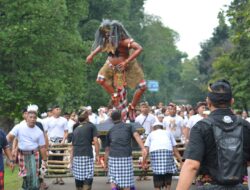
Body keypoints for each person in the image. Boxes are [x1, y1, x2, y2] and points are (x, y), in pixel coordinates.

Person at [176, 79, 250, 190]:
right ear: (232, 101)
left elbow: (192, 165)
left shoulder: (201, 127)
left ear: (208, 102)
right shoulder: (246, 126)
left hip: (209, 186)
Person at [86, 19, 146, 119]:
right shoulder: (107, 41)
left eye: (109, 33)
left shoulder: (124, 41)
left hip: (122, 68)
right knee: (100, 79)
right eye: (106, 33)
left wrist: (126, 62)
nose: (107, 35)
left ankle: (131, 107)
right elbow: (101, 47)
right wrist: (91, 55)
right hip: (110, 65)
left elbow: (139, 48)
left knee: (142, 86)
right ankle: (115, 96)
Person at [104, 110, 147, 190]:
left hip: (113, 157)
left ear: (112, 119)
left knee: (113, 179)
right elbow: (136, 135)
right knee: (126, 181)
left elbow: (107, 149)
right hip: (125, 156)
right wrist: (143, 148)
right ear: (121, 117)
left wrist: (105, 163)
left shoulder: (110, 130)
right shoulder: (129, 126)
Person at [7, 109, 47, 190]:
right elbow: (9, 137)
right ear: (26, 117)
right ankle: (26, 188)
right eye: (30, 117)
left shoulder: (39, 131)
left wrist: (44, 161)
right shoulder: (19, 127)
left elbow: (42, 147)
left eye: (34, 117)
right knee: (25, 176)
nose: (32, 119)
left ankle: (31, 188)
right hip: (22, 155)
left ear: (36, 119)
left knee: (33, 177)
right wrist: (7, 148)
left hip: (33, 155)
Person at [144, 122, 183, 190]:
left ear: (153, 128)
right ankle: (167, 188)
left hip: (154, 152)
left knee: (156, 172)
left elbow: (146, 150)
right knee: (168, 171)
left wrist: (144, 162)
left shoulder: (151, 134)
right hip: (167, 151)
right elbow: (175, 149)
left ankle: (158, 188)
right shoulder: (168, 132)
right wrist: (181, 161)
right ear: (162, 128)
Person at [70, 107, 100, 190]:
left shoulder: (75, 128)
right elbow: (96, 141)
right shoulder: (91, 126)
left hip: (76, 156)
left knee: (78, 178)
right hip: (86, 154)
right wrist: (97, 155)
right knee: (88, 177)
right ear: (87, 117)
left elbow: (72, 145)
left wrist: (71, 159)